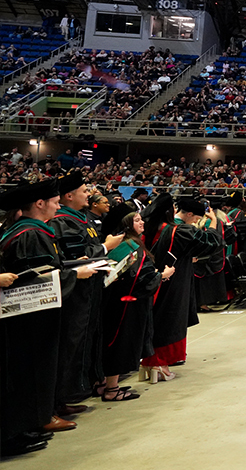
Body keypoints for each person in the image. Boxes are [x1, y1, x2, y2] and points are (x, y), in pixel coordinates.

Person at [0, 179, 107, 454]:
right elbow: (34, 278)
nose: (58, 205)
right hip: (30, 318)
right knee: (30, 371)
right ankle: (29, 423)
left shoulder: (31, 230)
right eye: (54, 201)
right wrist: (75, 274)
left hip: (31, 317)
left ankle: (29, 424)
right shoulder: (30, 234)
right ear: (39, 204)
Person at [49, 170, 122, 415]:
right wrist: (106, 246)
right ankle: (59, 400)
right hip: (75, 293)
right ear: (68, 196)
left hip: (89, 291)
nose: (88, 194)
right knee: (71, 344)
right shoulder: (63, 220)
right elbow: (75, 257)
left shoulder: (80, 218)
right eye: (83, 191)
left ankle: (73, 392)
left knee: (84, 342)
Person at [140, 195, 224, 383]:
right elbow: (210, 242)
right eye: (196, 218)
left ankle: (149, 362)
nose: (196, 222)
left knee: (158, 317)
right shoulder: (178, 230)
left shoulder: (157, 226)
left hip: (157, 277)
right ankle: (159, 364)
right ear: (190, 214)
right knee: (169, 318)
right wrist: (214, 221)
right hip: (173, 280)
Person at [99, 208, 162, 402]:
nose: (142, 223)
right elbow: (141, 279)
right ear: (127, 225)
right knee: (120, 342)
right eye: (136, 220)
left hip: (115, 301)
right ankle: (112, 389)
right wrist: (162, 276)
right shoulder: (130, 246)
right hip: (126, 304)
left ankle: (103, 384)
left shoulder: (125, 244)